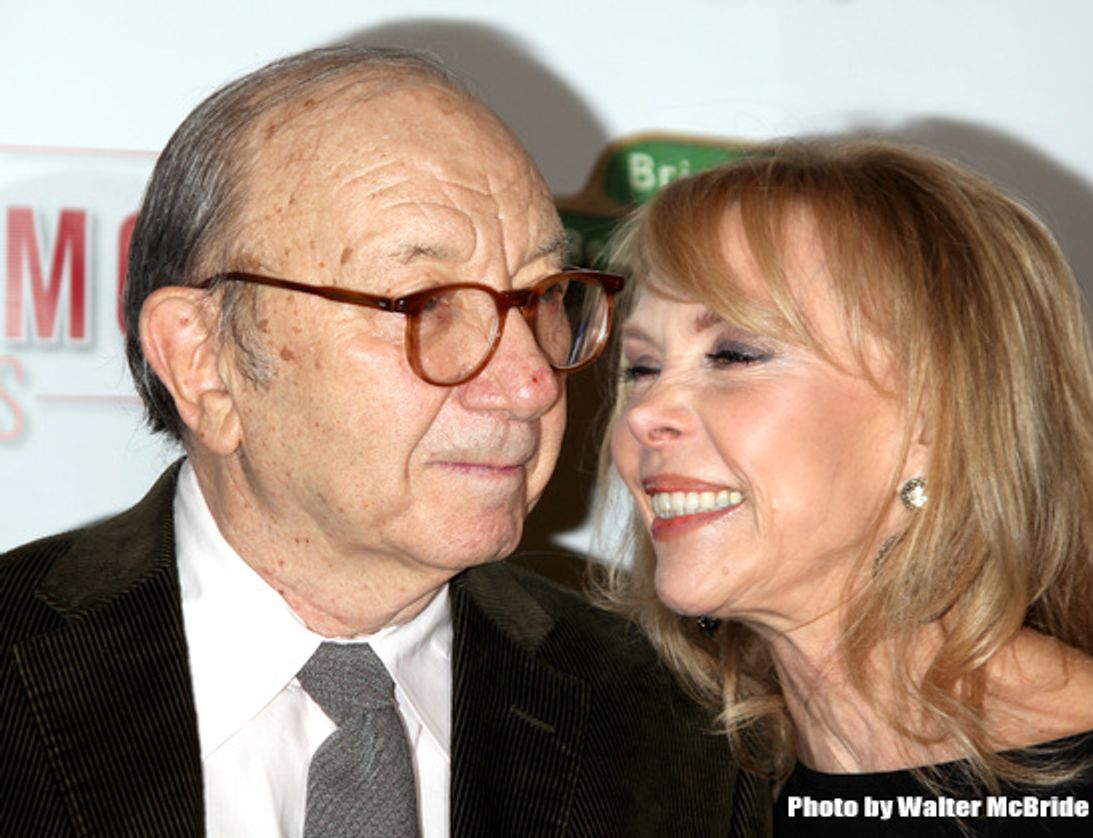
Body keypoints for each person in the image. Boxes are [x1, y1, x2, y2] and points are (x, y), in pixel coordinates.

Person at [0, 46, 770, 837]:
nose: (531, 381)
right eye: (423, 303)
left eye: (543, 296)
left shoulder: (681, 732)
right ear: (204, 362)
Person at [596, 139, 1093, 836]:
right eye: (641, 367)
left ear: (936, 420)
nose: (643, 415)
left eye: (733, 355)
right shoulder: (643, 787)